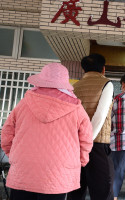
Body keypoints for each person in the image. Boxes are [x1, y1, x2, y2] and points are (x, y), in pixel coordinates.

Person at [1, 63, 93, 200]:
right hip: (59, 172)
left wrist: (13, 154)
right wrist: (79, 162)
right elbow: (86, 140)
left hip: (23, 168)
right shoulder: (76, 108)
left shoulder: (24, 103)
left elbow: (6, 133)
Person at [68, 54, 114, 200]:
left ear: (83, 69)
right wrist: (87, 141)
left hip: (75, 143)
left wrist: (81, 142)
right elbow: (100, 115)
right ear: (103, 69)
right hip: (97, 144)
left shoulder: (74, 86)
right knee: (102, 191)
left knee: (76, 189)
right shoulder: (107, 83)